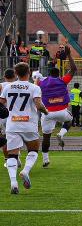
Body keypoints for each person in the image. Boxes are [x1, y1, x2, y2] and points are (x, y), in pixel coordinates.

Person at [0, 62, 49, 194]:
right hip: (29, 124)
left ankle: (13, 183)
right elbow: (38, 105)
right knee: (33, 150)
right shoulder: (34, 87)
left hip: (12, 125)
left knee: (12, 155)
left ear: (16, 73)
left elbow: (1, 104)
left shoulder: (8, 87)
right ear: (28, 73)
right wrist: (45, 111)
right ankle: (26, 171)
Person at [36, 45, 77, 167]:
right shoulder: (62, 80)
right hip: (61, 111)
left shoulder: (41, 83)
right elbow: (74, 69)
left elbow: (35, 84)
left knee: (46, 137)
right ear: (59, 74)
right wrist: (69, 55)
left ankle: (45, 160)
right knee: (70, 120)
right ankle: (61, 134)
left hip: (47, 112)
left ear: (48, 74)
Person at [1, 69, 17, 166]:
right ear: (15, 76)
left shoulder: (1, 85)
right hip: (17, 114)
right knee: (16, 137)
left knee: (5, 138)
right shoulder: (19, 85)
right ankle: (16, 157)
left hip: (3, 116)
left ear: (4, 76)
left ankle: (8, 160)